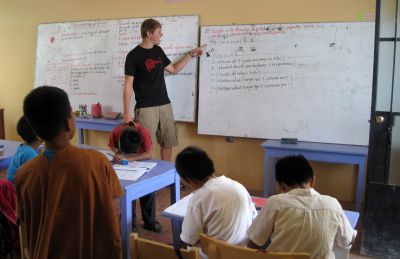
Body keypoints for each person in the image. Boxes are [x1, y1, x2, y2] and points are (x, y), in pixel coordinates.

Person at [15, 86, 124, 259]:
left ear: (35, 131)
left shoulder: (24, 174)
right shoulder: (97, 161)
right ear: (68, 123)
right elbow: (114, 210)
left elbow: (26, 229)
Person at [123, 18, 205, 161]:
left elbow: (173, 69)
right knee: (145, 147)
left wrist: (190, 54)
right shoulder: (133, 56)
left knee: (168, 142)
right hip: (146, 108)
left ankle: (165, 179)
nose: (161, 35)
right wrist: (126, 113)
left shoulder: (158, 51)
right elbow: (128, 85)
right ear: (149, 34)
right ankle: (147, 181)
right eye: (159, 32)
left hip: (165, 104)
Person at [247, 155, 356, 259]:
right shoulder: (333, 204)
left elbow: (253, 243)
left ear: (279, 184)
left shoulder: (275, 203)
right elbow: (347, 240)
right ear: (312, 180)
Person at [175, 146, 257, 252]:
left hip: (216, 255)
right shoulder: (238, 186)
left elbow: (189, 239)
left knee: (176, 247)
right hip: (243, 253)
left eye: (183, 182)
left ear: (190, 180)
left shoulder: (200, 197)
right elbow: (254, 220)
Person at [108, 120, 162, 233]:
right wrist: (118, 152)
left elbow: (148, 153)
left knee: (148, 189)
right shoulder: (115, 131)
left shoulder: (143, 132)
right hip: (123, 165)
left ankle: (150, 222)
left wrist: (129, 158)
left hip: (142, 162)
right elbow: (111, 146)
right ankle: (129, 223)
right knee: (128, 191)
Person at [6, 116, 42, 184]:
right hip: (17, 192)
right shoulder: (30, 154)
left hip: (12, 189)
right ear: (38, 135)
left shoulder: (22, 148)